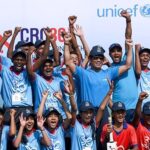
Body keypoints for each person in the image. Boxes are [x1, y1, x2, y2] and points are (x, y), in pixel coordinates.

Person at [109, 10, 138, 123]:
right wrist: (115, 110)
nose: (116, 53)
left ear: (122, 52)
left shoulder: (128, 58)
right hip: (120, 111)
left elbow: (128, 36)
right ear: (110, 54)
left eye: (118, 51)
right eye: (113, 51)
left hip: (135, 108)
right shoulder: (109, 70)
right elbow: (106, 94)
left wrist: (128, 21)